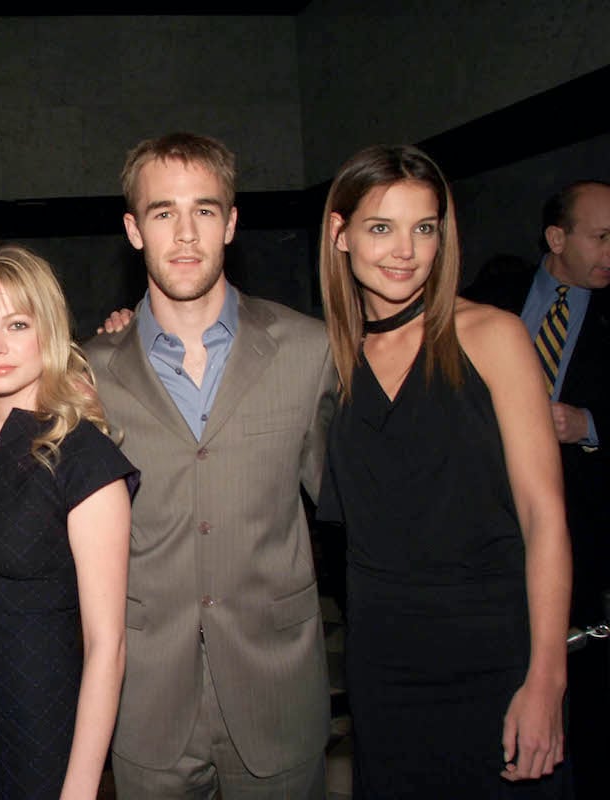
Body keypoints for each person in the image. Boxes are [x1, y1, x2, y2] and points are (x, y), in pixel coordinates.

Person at [84, 132, 337, 799]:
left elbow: (357, 504)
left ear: (231, 221)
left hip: (277, 689)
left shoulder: (307, 352)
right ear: (134, 230)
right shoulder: (88, 374)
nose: (186, 233)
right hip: (145, 702)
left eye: (204, 209)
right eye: (164, 212)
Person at [317, 144, 571, 798]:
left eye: (423, 228)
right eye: (382, 227)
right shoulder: (332, 359)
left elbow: (545, 519)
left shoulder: (492, 335)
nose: (405, 249)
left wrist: (546, 679)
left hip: (495, 657)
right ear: (340, 235)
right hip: (384, 667)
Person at [0, 244, 137, 798]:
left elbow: (107, 646)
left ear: (48, 329)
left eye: (16, 324)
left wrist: (81, 788)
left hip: (36, 730)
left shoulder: (84, 458)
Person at [463, 180, 610, 799]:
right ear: (557, 238)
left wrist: (588, 425)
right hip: (479, 536)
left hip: (579, 538)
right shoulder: (493, 297)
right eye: (601, 237)